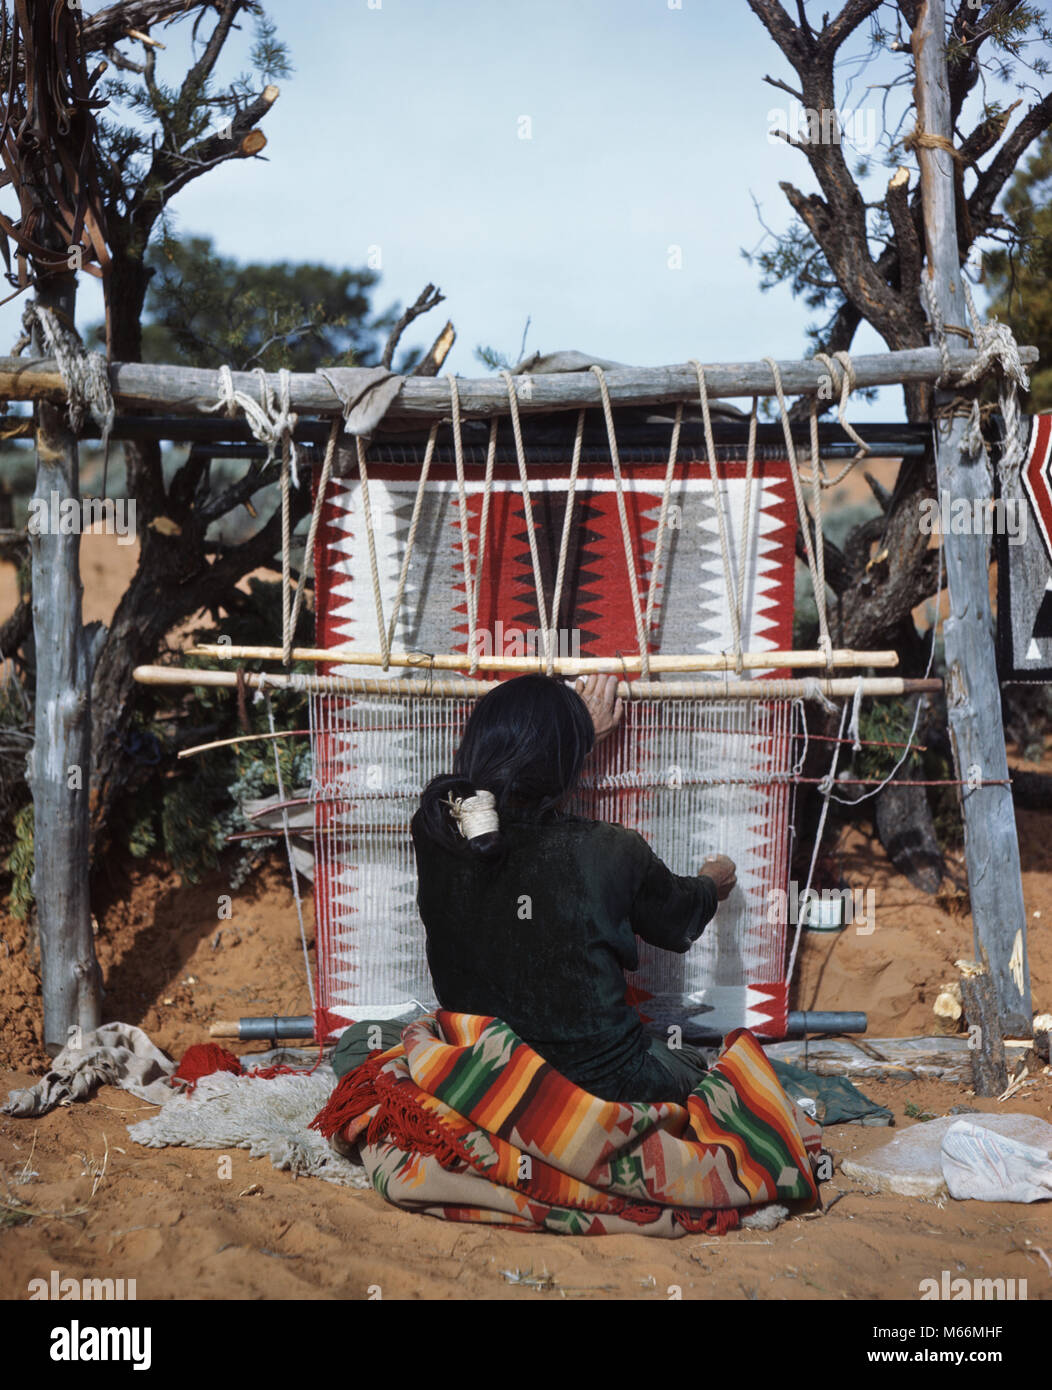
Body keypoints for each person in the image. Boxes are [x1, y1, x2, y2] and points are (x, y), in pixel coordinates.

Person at [410, 672, 736, 1104]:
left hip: (484, 1079)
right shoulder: (611, 850)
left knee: (367, 1042)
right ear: (565, 764)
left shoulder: (437, 833)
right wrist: (714, 880)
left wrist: (572, 741)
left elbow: (509, 825)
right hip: (605, 1087)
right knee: (695, 1067)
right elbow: (677, 921)